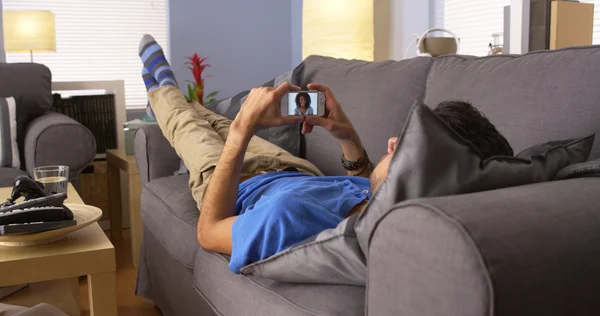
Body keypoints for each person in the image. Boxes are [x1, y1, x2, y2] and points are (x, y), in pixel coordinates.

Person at [138, 35, 514, 273]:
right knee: (212, 119)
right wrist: (346, 134)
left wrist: (242, 130)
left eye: (408, 142)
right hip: (294, 169)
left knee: (187, 127)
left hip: (235, 184)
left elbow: (208, 233)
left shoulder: (288, 219)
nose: (391, 142)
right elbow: (369, 186)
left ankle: (163, 88)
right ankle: (182, 103)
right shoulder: (387, 201)